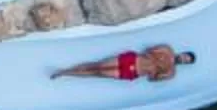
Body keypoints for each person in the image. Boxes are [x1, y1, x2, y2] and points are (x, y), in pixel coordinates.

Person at [49, 43, 196, 84]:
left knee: (98, 73)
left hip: (133, 72)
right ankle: (64, 71)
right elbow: (147, 50)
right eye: (185, 57)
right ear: (183, 53)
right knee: (98, 65)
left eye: (185, 61)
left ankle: (65, 74)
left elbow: (152, 79)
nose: (182, 59)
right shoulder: (167, 49)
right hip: (132, 60)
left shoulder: (170, 73)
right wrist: (155, 61)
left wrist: (156, 69)